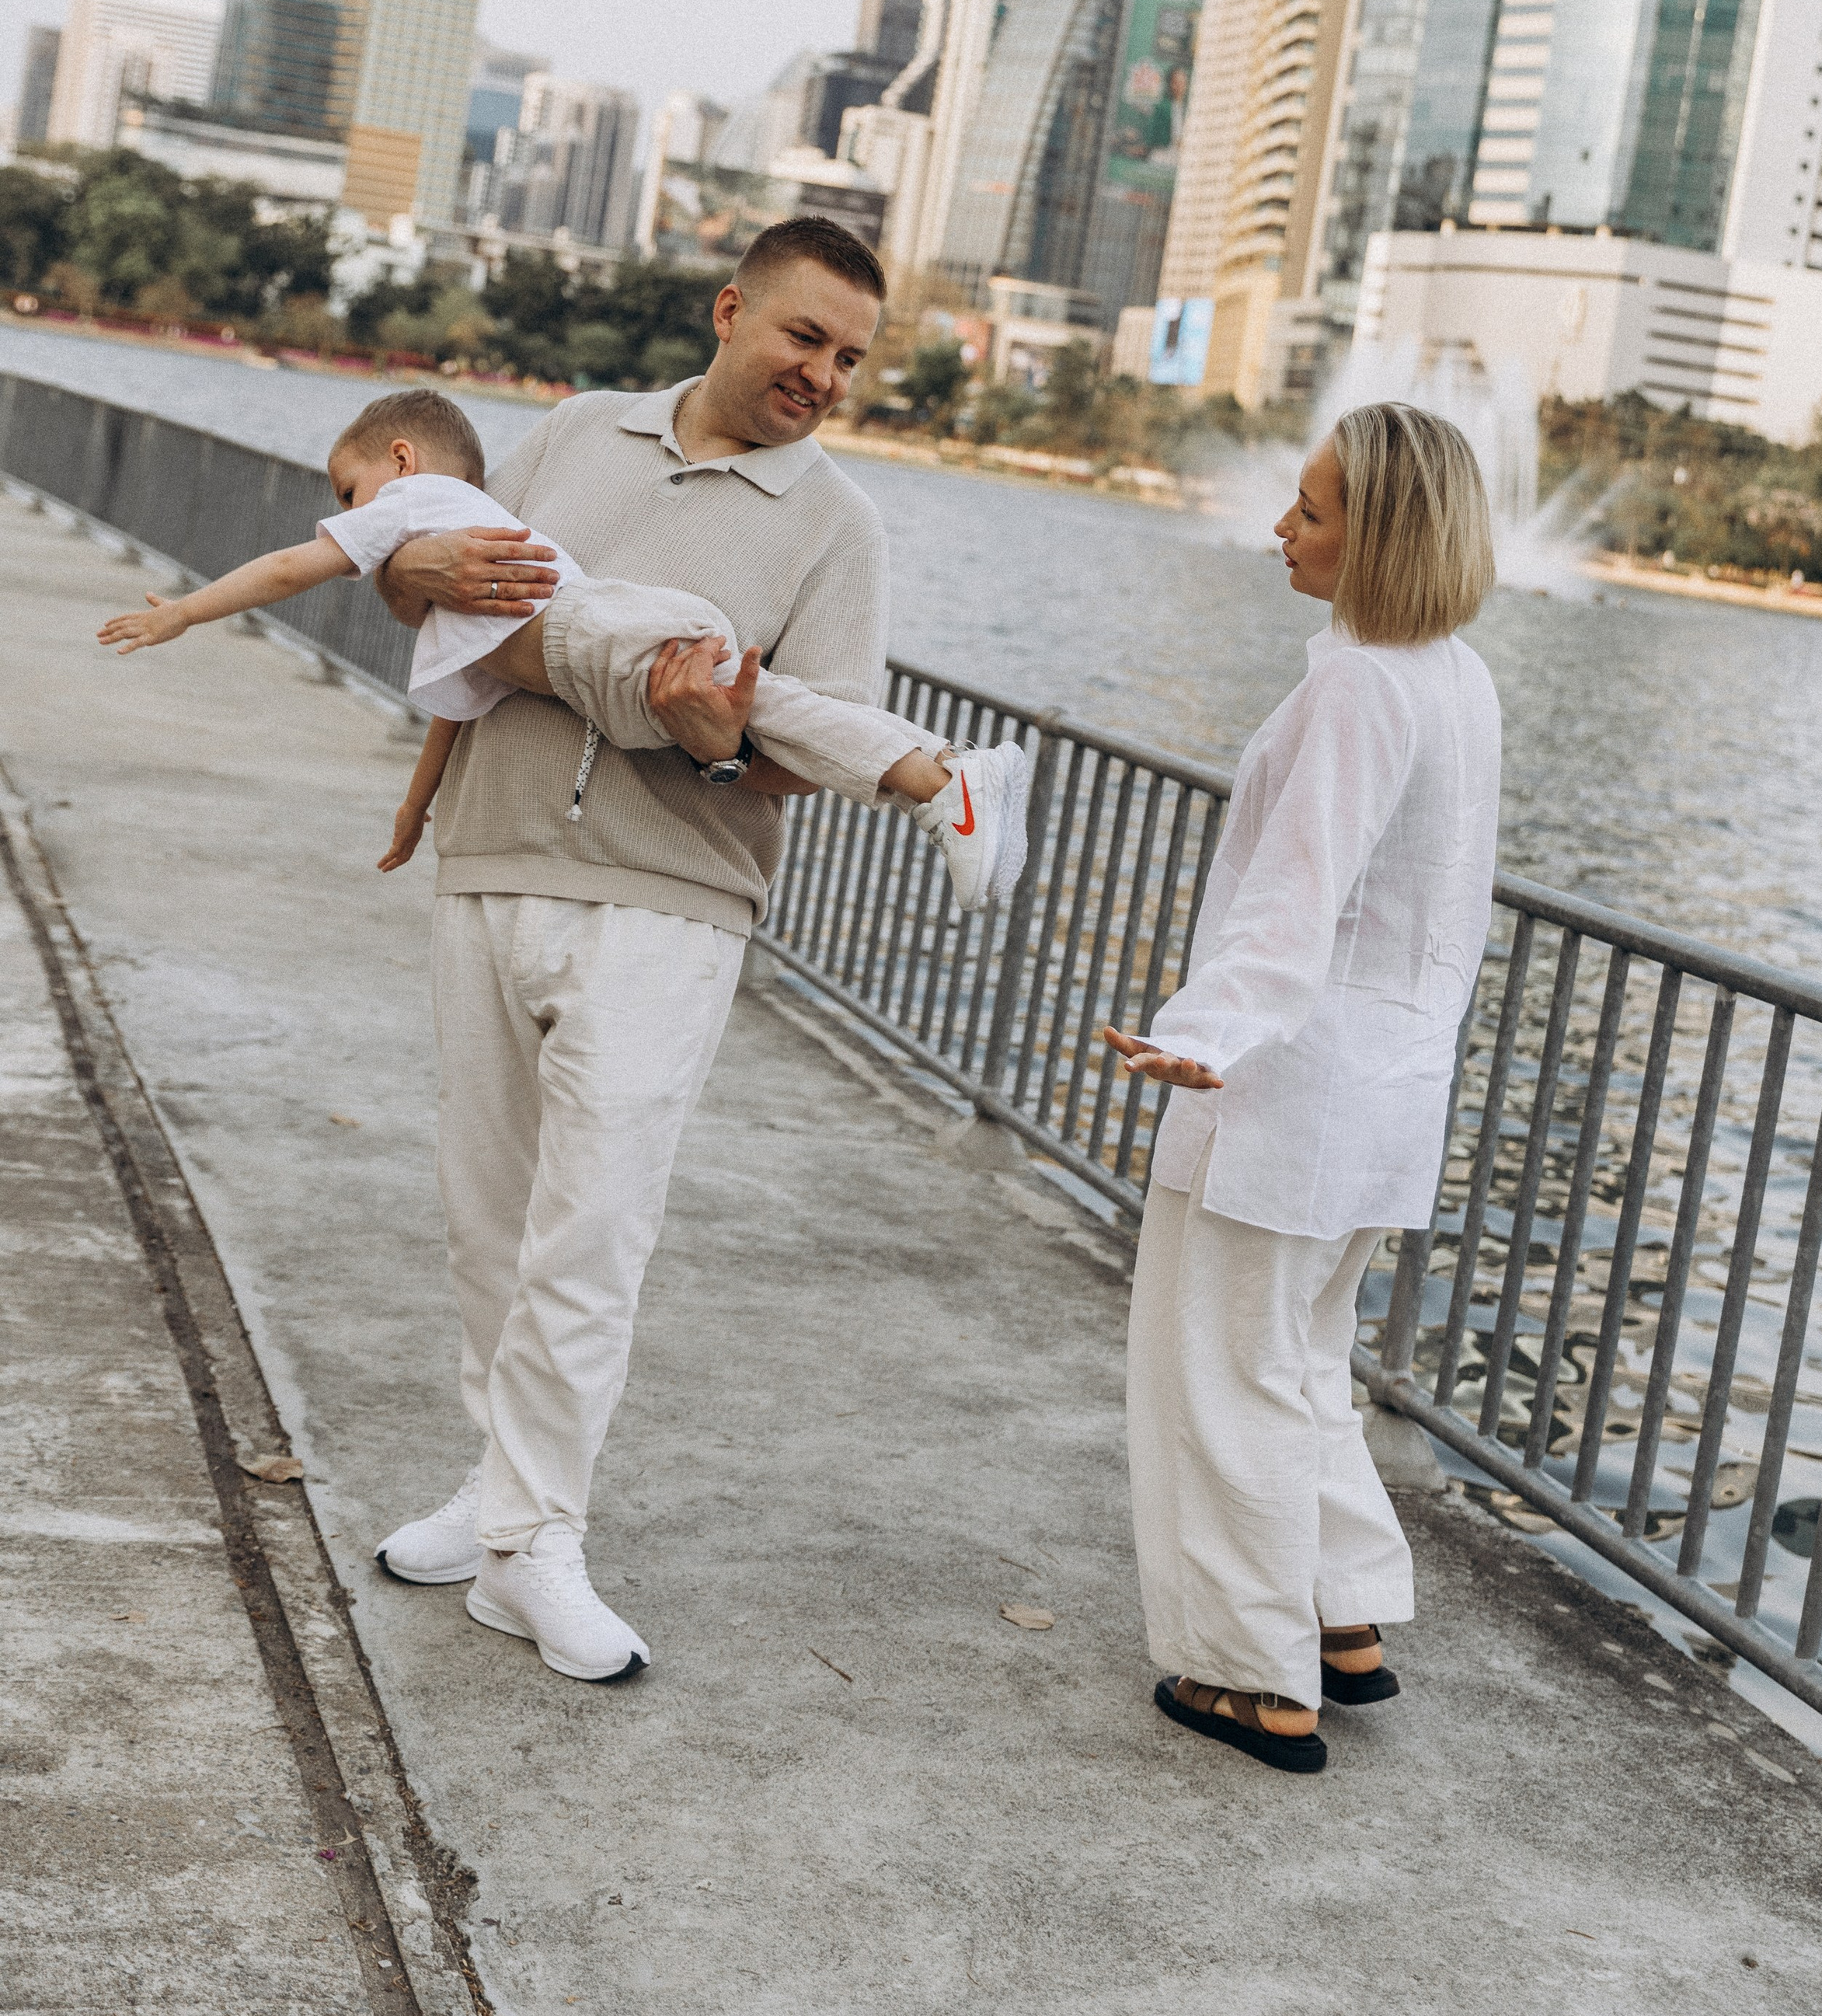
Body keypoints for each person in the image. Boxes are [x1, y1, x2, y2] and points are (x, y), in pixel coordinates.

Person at [1103, 402, 1500, 1775]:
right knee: (1302, 1360)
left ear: (1380, 533)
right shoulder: (1456, 676)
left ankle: (1250, 1673)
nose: (1284, 525)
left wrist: (1210, 1028)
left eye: (1315, 509)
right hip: (1385, 1087)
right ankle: (1343, 1622)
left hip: (1291, 1082)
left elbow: (1296, 893)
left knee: (1222, 1372)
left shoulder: (1359, 683)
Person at [96, 387, 1026, 912]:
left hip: (600, 637)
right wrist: (416, 812)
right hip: (601, 645)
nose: (347, 515)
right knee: (772, 701)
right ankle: (943, 776)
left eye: (349, 489)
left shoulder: (412, 508)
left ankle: (942, 779)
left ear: (402, 462)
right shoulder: (464, 523)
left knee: (766, 707)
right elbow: (452, 714)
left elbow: (287, 569)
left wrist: (186, 613)